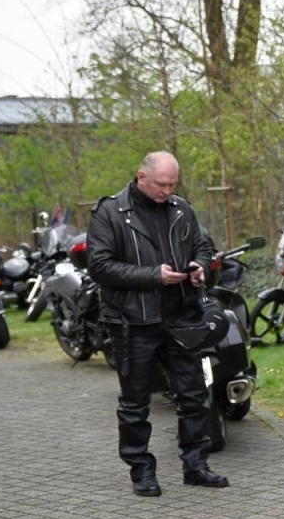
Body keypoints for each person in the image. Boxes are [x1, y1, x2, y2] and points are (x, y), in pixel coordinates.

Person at [87, 152, 227, 496]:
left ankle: (196, 465)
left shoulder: (181, 208)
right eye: (161, 184)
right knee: (135, 403)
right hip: (133, 323)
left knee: (195, 396)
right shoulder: (110, 213)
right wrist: (154, 276)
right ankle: (141, 471)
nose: (167, 190)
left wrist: (198, 266)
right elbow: (100, 266)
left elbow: (203, 246)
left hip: (181, 318)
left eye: (172, 184)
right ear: (141, 177)